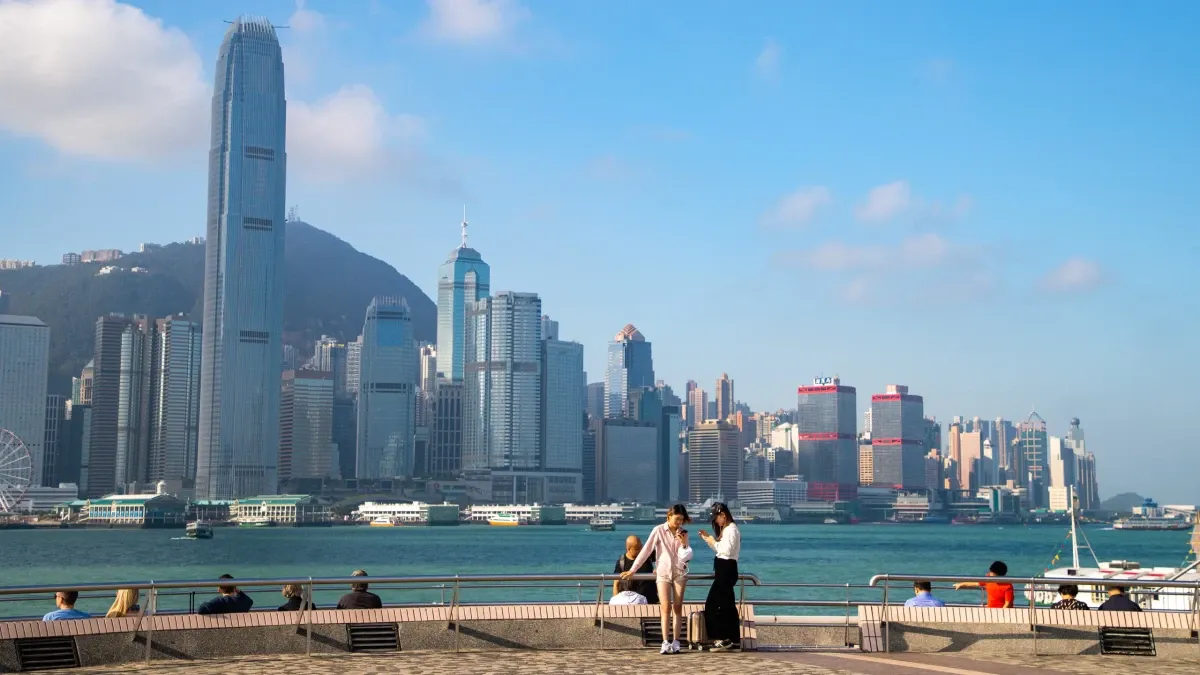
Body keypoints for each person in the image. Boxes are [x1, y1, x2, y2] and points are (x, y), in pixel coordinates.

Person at [622, 504, 692, 655]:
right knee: (665, 607)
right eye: (677, 519)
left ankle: (676, 641)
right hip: (663, 572)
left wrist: (684, 543)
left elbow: (687, 556)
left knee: (678, 607)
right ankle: (665, 642)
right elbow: (646, 550)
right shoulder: (658, 530)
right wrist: (633, 570)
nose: (679, 522)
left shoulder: (683, 532)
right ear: (669, 516)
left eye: (681, 519)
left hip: (680, 572)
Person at [698, 502, 742, 652]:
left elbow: (726, 551)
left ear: (723, 515)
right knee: (727, 605)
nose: (716, 522)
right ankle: (733, 639)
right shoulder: (729, 529)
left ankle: (722, 638)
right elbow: (720, 550)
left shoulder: (731, 530)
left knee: (713, 605)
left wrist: (711, 540)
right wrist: (708, 539)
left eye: (716, 518)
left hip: (726, 569)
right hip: (726, 569)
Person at [613, 535, 658, 604]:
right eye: (637, 548)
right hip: (633, 603)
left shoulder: (647, 555)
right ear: (628, 549)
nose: (640, 550)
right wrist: (615, 603)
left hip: (651, 601)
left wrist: (659, 568)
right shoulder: (621, 562)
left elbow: (664, 557)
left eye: (641, 546)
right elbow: (616, 583)